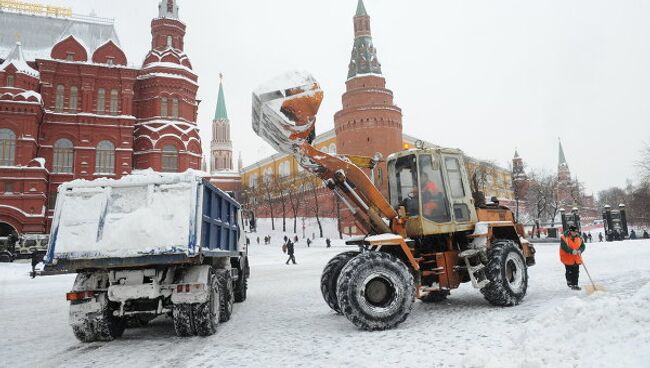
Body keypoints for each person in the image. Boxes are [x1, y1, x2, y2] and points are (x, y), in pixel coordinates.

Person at [560, 225, 586, 290]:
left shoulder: (579, 237)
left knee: (576, 271)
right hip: (567, 257)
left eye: (576, 232)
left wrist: (580, 250)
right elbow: (564, 246)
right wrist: (571, 251)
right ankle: (569, 281)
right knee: (569, 271)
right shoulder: (564, 237)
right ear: (570, 231)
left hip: (576, 257)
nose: (575, 233)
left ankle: (575, 284)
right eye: (574, 232)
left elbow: (583, 246)